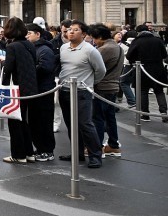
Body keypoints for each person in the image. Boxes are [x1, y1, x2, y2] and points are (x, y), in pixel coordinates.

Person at [58, 20, 106, 169]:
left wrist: (88, 83)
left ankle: (95, 155)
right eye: (69, 29)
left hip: (82, 92)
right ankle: (77, 153)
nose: (70, 32)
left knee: (85, 124)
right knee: (71, 124)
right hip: (64, 90)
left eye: (75, 30)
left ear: (84, 34)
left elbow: (101, 71)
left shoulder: (90, 50)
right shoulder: (63, 48)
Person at [1, 17, 38, 164]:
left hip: (17, 88)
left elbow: (8, 69)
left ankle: (18, 155)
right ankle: (29, 153)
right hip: (30, 87)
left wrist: (2, 88)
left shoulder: (12, 46)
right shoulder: (29, 44)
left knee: (15, 121)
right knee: (24, 122)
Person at [26, 23, 58, 161]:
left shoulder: (45, 49)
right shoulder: (34, 48)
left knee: (44, 121)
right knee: (35, 121)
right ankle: (40, 147)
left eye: (29, 33)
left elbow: (45, 67)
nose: (27, 36)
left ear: (38, 34)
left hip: (44, 90)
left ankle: (47, 150)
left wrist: (29, 69)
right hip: (36, 89)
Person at [90, 24, 123, 157]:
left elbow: (92, 66)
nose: (94, 41)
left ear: (100, 37)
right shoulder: (116, 46)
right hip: (113, 86)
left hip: (102, 87)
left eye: (94, 38)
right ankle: (113, 145)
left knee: (97, 118)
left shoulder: (104, 49)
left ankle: (97, 147)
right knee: (110, 117)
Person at [126, 24, 168, 122]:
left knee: (143, 91)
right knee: (159, 91)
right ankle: (164, 113)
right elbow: (164, 54)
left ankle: (145, 114)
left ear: (138, 32)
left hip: (142, 68)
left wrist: (135, 61)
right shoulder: (158, 40)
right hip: (157, 69)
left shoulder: (137, 41)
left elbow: (129, 56)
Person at [114, 31, 136, 108]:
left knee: (123, 82)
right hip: (137, 65)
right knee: (135, 84)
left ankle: (132, 101)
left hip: (125, 65)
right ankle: (120, 97)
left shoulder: (122, 45)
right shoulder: (137, 42)